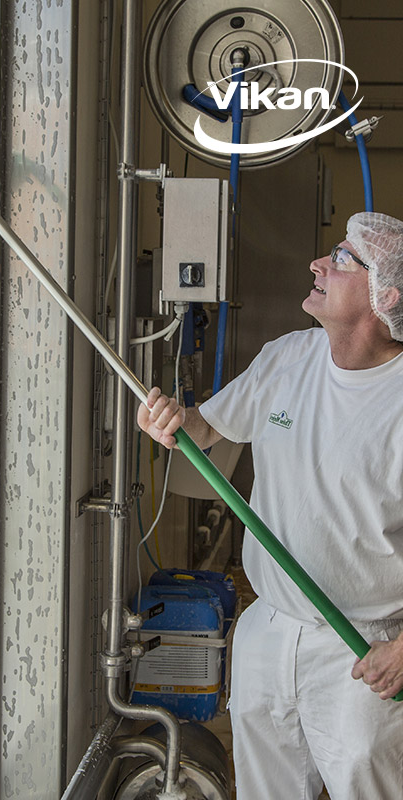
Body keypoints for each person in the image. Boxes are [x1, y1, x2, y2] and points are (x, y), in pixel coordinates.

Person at [137, 211, 403, 800]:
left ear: (388, 293)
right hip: (270, 632)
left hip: (364, 653)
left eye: (341, 258)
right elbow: (203, 429)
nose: (317, 264)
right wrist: (171, 421)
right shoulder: (289, 357)